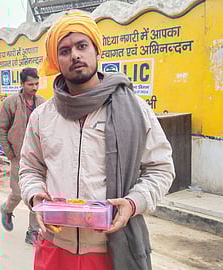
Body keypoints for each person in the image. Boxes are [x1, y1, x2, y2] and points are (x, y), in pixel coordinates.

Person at [19, 12, 175, 270]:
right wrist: (36, 196)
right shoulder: (43, 116)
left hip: (112, 250)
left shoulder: (134, 109)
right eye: (65, 50)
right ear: (57, 60)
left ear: (96, 50)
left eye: (82, 46)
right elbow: (30, 168)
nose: (75, 56)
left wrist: (134, 202)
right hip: (54, 247)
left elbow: (160, 168)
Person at [0, 67, 46, 244]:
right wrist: (10, 154)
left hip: (39, 157)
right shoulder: (10, 103)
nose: (34, 87)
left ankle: (33, 231)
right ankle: (6, 209)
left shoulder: (43, 103)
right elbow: (1, 129)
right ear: (22, 84)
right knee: (18, 192)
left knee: (36, 194)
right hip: (18, 156)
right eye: (30, 84)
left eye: (37, 83)